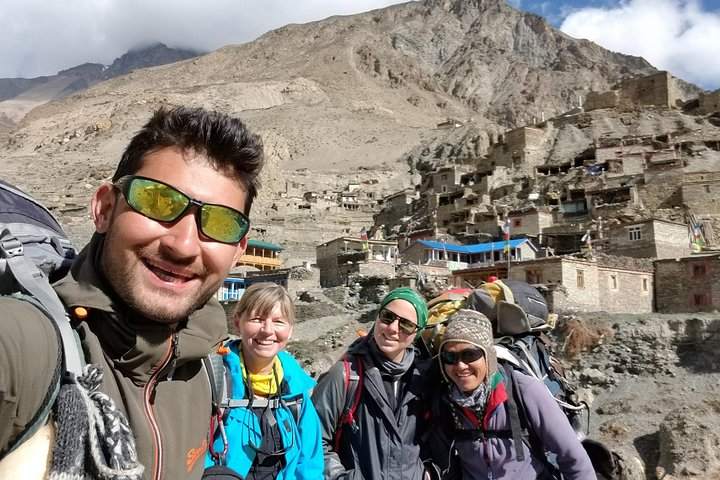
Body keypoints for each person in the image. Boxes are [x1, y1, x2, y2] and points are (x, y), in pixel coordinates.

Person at [0, 106, 265, 480]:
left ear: (238, 251)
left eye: (220, 224)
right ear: (105, 208)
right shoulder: (28, 345)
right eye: (159, 203)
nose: (184, 245)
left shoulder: (203, 369)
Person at [425, 309, 596, 480]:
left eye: (469, 355)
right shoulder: (445, 402)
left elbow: (574, 458)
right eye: (449, 357)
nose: (460, 366)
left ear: (489, 357)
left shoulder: (525, 391)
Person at [204, 282, 324, 479]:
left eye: (278, 321)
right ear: (236, 323)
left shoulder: (296, 390)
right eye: (257, 319)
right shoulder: (215, 379)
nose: (267, 330)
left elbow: (309, 465)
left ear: (290, 329)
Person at [311, 287, 430, 480]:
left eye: (406, 325)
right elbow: (314, 439)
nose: (393, 328)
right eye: (387, 316)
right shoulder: (345, 375)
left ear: (417, 333)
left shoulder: (422, 378)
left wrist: (429, 472)